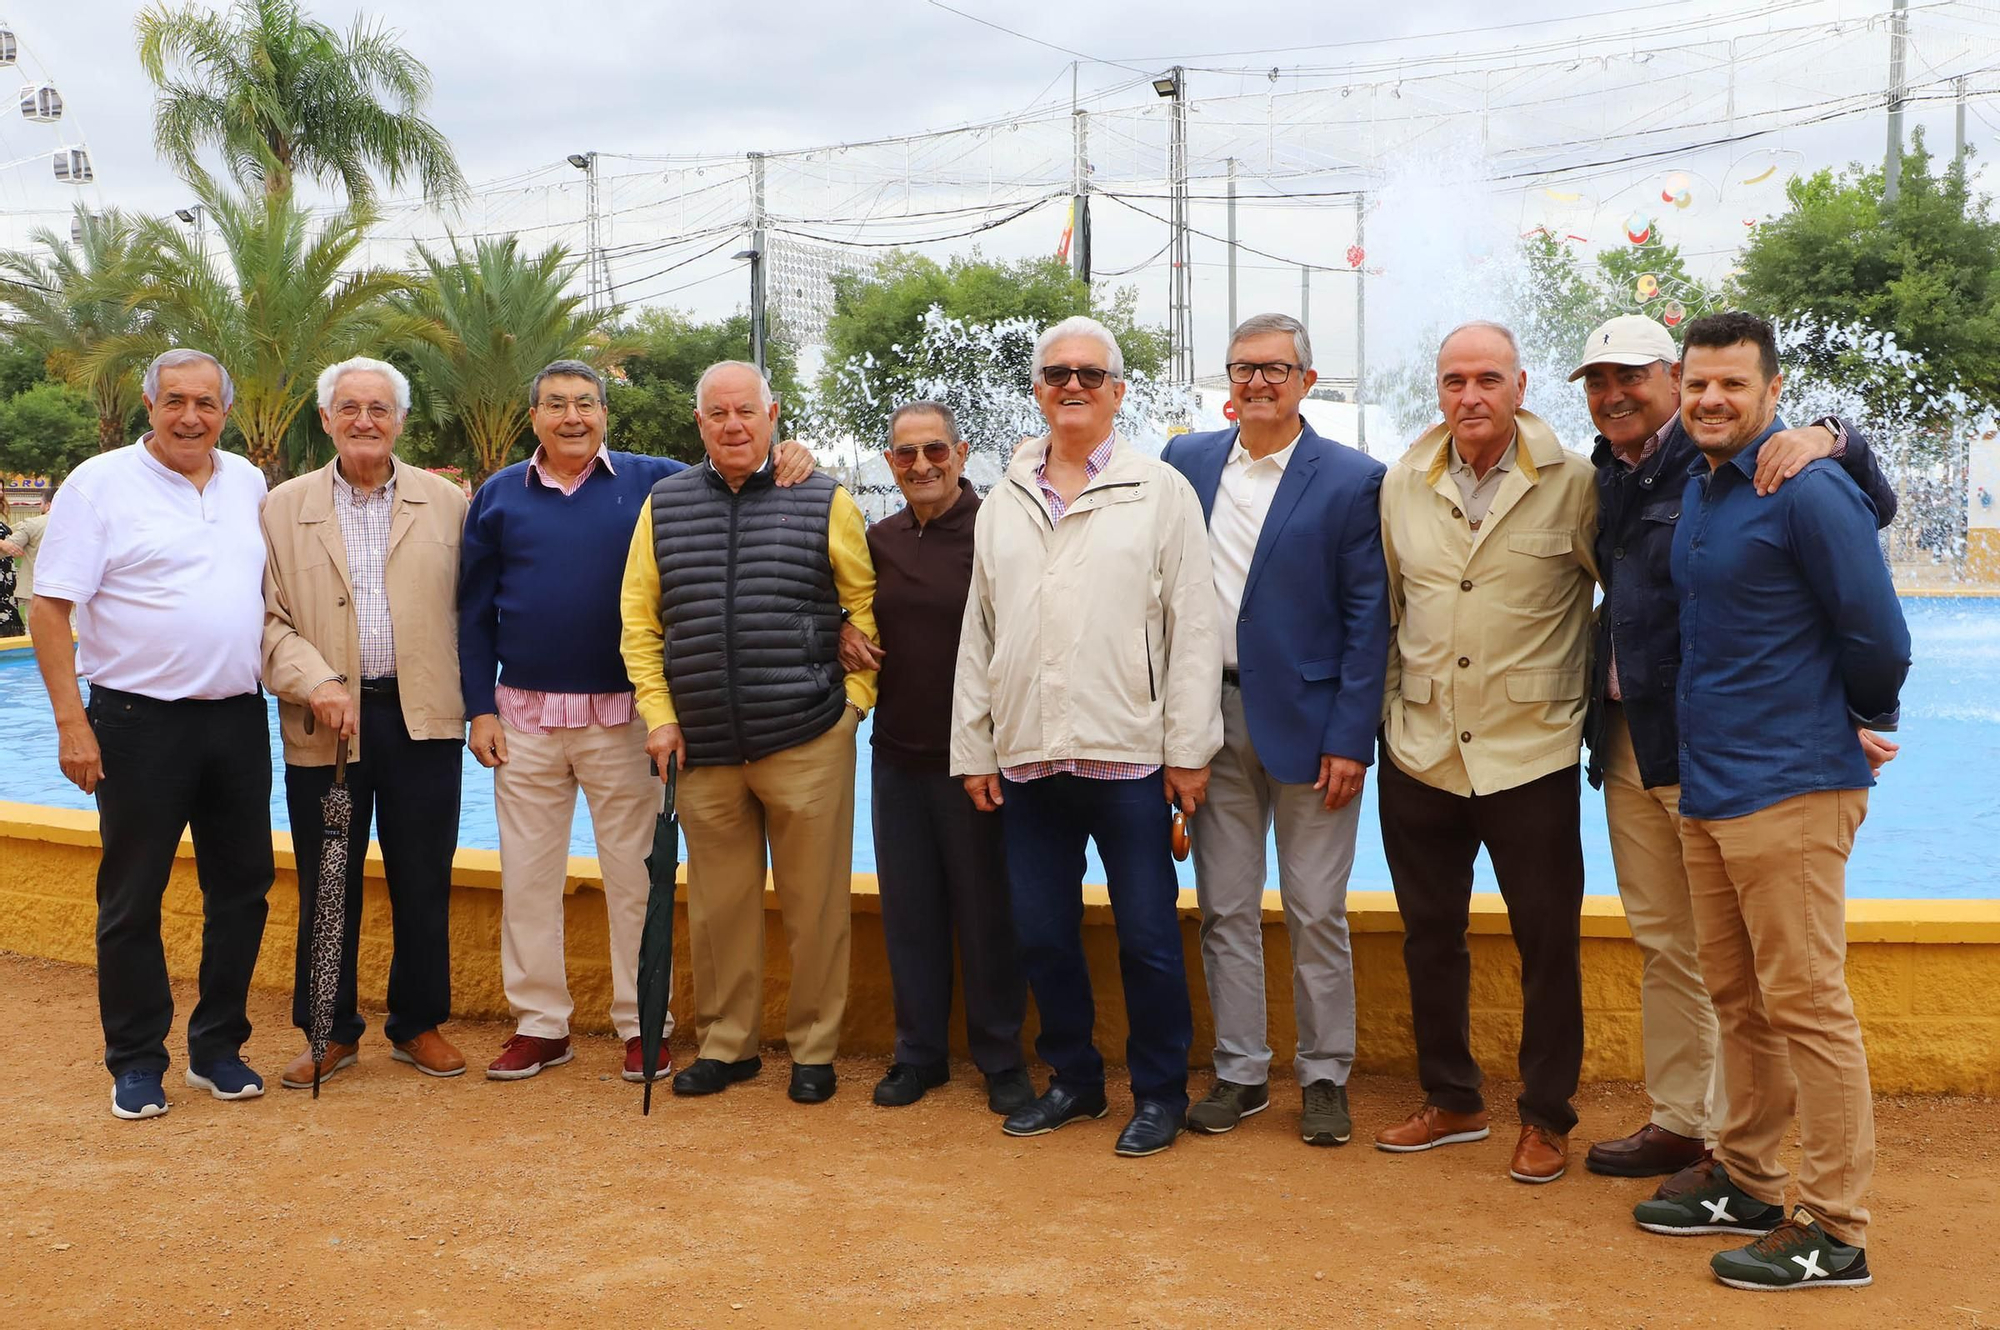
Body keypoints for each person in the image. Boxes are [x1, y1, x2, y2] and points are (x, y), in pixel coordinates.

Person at [1570, 316, 1901, 1180]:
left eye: (1633, 377)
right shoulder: (1621, 474)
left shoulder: (1767, 465)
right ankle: (1709, 1142)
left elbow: (1871, 583)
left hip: (1754, 762)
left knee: (1788, 990)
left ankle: (1818, 1209)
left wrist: (1854, 716)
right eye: (1598, 382)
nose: (1615, 395)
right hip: (1646, 738)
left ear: (1668, 380)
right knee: (1695, 959)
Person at [459, 359, 815, 1084]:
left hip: (625, 719)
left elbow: (733, 466)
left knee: (637, 876)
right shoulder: (498, 495)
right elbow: (470, 611)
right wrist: (479, 706)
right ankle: (539, 1025)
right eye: (555, 403)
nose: (572, 417)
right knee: (527, 877)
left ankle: (641, 1022)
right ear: (534, 417)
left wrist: (791, 454)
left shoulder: (655, 481)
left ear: (604, 414)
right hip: (524, 717)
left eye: (585, 403)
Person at [952, 315, 1222, 1158]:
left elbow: (1194, 628)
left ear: (1117, 392)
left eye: (1090, 374)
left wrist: (1188, 752)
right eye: (1056, 373)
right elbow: (979, 631)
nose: (1073, 385)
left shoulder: (1160, 492)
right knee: (1043, 931)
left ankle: (1161, 1093)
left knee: (1146, 936)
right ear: (1037, 389)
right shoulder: (1005, 499)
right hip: (1030, 758)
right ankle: (1072, 1080)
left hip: (1131, 758)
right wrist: (975, 748)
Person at [1372, 321, 1598, 1184]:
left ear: (1520, 385)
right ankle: (1454, 1099)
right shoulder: (1403, 484)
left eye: (1488, 380)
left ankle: (1546, 1116)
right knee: (1431, 936)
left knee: (1548, 943)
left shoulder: (1574, 484)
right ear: (1439, 389)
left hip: (1529, 752)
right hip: (1421, 749)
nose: (1471, 396)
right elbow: (1391, 612)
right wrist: (1387, 722)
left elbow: (1629, 594)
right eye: (1455, 380)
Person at [620, 360, 878, 1106]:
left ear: (773, 415)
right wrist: (659, 716)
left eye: (746, 412)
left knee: (816, 906)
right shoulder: (663, 505)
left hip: (806, 735)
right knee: (718, 908)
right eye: (717, 414)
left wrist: (852, 707)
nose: (733, 425)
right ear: (698, 424)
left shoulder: (824, 497)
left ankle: (815, 1049)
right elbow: (640, 622)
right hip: (702, 744)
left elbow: (864, 610)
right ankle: (729, 1045)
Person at [1159, 313, 1389, 1146]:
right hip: (1208, 718)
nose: (1258, 381)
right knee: (1223, 907)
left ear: (1307, 379)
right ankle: (1240, 1072)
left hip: (1313, 725)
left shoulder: (1354, 478)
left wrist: (1350, 738)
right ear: (1228, 379)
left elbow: (1370, 620)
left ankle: (1325, 1077)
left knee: (1316, 908)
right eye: (1244, 367)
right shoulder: (1184, 463)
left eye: (1276, 368)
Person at [28, 349, 274, 1119]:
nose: (190, 416)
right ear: (148, 403)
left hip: (237, 716)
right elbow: (49, 609)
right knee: (133, 897)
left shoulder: (247, 482)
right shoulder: (98, 485)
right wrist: (73, 723)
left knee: (242, 890)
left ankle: (218, 1048)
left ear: (225, 410)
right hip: (136, 721)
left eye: (204, 402)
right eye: (175, 401)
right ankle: (136, 1060)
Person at [262, 357, 470, 1088]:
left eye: (378, 408)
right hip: (327, 728)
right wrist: (313, 679)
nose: (364, 420)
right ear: (325, 419)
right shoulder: (280, 508)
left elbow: (473, 612)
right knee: (328, 882)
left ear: (401, 420)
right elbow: (264, 619)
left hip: (424, 722)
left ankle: (419, 1025)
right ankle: (327, 1030)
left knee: (423, 877)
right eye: (348, 407)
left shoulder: (447, 504)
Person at [849, 400, 1031, 1114]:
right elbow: (842, 599)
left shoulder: (998, 531)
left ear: (960, 453)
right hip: (897, 755)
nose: (921, 465)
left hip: (980, 760)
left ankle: (1000, 1057)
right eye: (905, 454)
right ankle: (918, 1054)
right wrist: (838, 628)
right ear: (890, 463)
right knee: (910, 911)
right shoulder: (878, 538)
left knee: (989, 913)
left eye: (934, 451)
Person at [1, 495, 49, 629]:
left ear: (48, 505)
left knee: (35, 631)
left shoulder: (33, 524)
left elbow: (10, 546)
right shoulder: (80, 525)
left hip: (33, 586)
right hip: (69, 589)